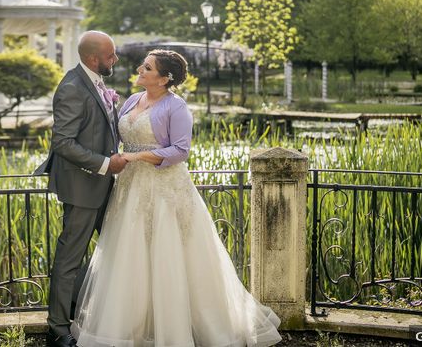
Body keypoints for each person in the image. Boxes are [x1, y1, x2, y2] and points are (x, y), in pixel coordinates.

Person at [71, 49, 282, 347]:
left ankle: (179, 330)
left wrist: (136, 156)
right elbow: (117, 138)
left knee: (169, 252)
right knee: (130, 256)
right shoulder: (132, 100)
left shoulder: (176, 107)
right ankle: (132, 327)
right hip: (130, 189)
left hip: (165, 190)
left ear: (164, 78)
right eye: (142, 66)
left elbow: (180, 151)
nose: (140, 70)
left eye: (147, 67)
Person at [35, 30, 127, 347]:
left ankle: (82, 307)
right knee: (69, 259)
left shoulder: (96, 84)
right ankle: (58, 329)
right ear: (92, 58)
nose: (115, 59)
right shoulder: (73, 87)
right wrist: (104, 163)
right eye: (110, 55)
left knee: (120, 247)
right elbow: (62, 143)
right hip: (82, 186)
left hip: (104, 185)